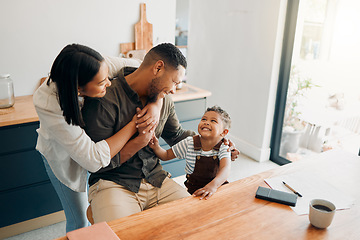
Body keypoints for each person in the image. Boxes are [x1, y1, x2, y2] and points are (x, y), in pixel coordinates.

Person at [81, 43, 240, 223]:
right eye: (174, 82)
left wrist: (214, 142)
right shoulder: (104, 99)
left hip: (156, 179)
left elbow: (176, 135)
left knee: (199, 220)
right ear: (158, 68)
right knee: (125, 233)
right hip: (114, 182)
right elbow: (98, 163)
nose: (173, 90)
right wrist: (140, 141)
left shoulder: (164, 99)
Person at [33, 44, 161, 232]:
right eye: (102, 83)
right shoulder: (48, 103)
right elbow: (92, 159)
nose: (109, 83)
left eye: (106, 77)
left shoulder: (98, 66)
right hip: (64, 159)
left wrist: (156, 104)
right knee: (79, 222)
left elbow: (145, 70)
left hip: (100, 149)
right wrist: (134, 124)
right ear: (79, 88)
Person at [149, 105, 232, 200]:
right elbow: (166, 155)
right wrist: (155, 147)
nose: (206, 123)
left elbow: (225, 168)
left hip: (217, 187)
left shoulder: (224, 147)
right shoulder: (189, 143)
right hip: (194, 189)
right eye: (204, 119)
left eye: (213, 121)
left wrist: (212, 186)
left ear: (224, 132)